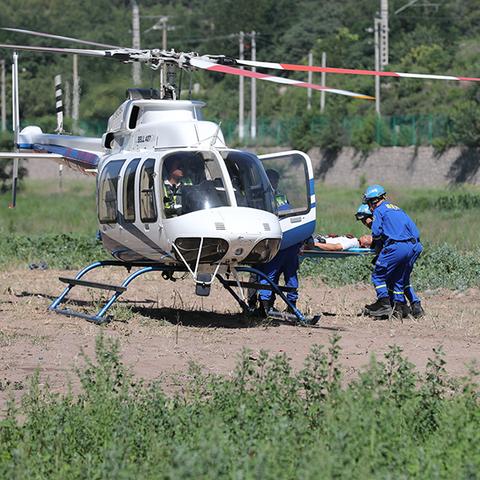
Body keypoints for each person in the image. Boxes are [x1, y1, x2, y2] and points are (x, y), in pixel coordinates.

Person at [361, 185, 425, 319]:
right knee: (400, 278)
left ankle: (384, 305)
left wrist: (378, 244)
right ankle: (403, 307)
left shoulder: (379, 211)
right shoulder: (397, 209)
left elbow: (377, 233)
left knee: (379, 275)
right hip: (415, 246)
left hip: (397, 246)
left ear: (371, 202)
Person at [254, 168, 301, 316]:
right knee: (291, 275)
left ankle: (265, 308)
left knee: (268, 274)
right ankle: (291, 306)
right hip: (292, 240)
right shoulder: (282, 196)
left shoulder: (262, 196)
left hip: (277, 242)